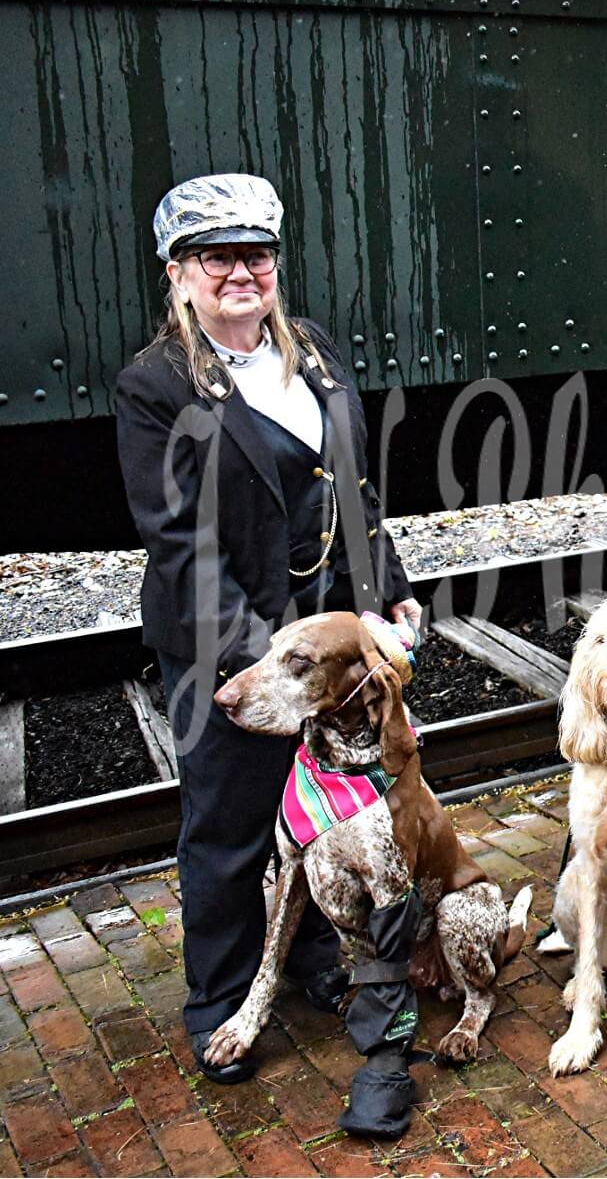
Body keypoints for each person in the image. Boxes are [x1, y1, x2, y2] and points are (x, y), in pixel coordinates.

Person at [115, 173, 421, 1083]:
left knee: (327, 810)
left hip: (322, 642)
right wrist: (268, 664)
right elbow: (179, 545)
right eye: (219, 258)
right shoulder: (156, 385)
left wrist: (386, 592)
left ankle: (316, 964)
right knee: (231, 820)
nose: (242, 273)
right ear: (180, 274)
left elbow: (355, 491)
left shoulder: (313, 353)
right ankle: (217, 996)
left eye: (257, 255)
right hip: (226, 645)